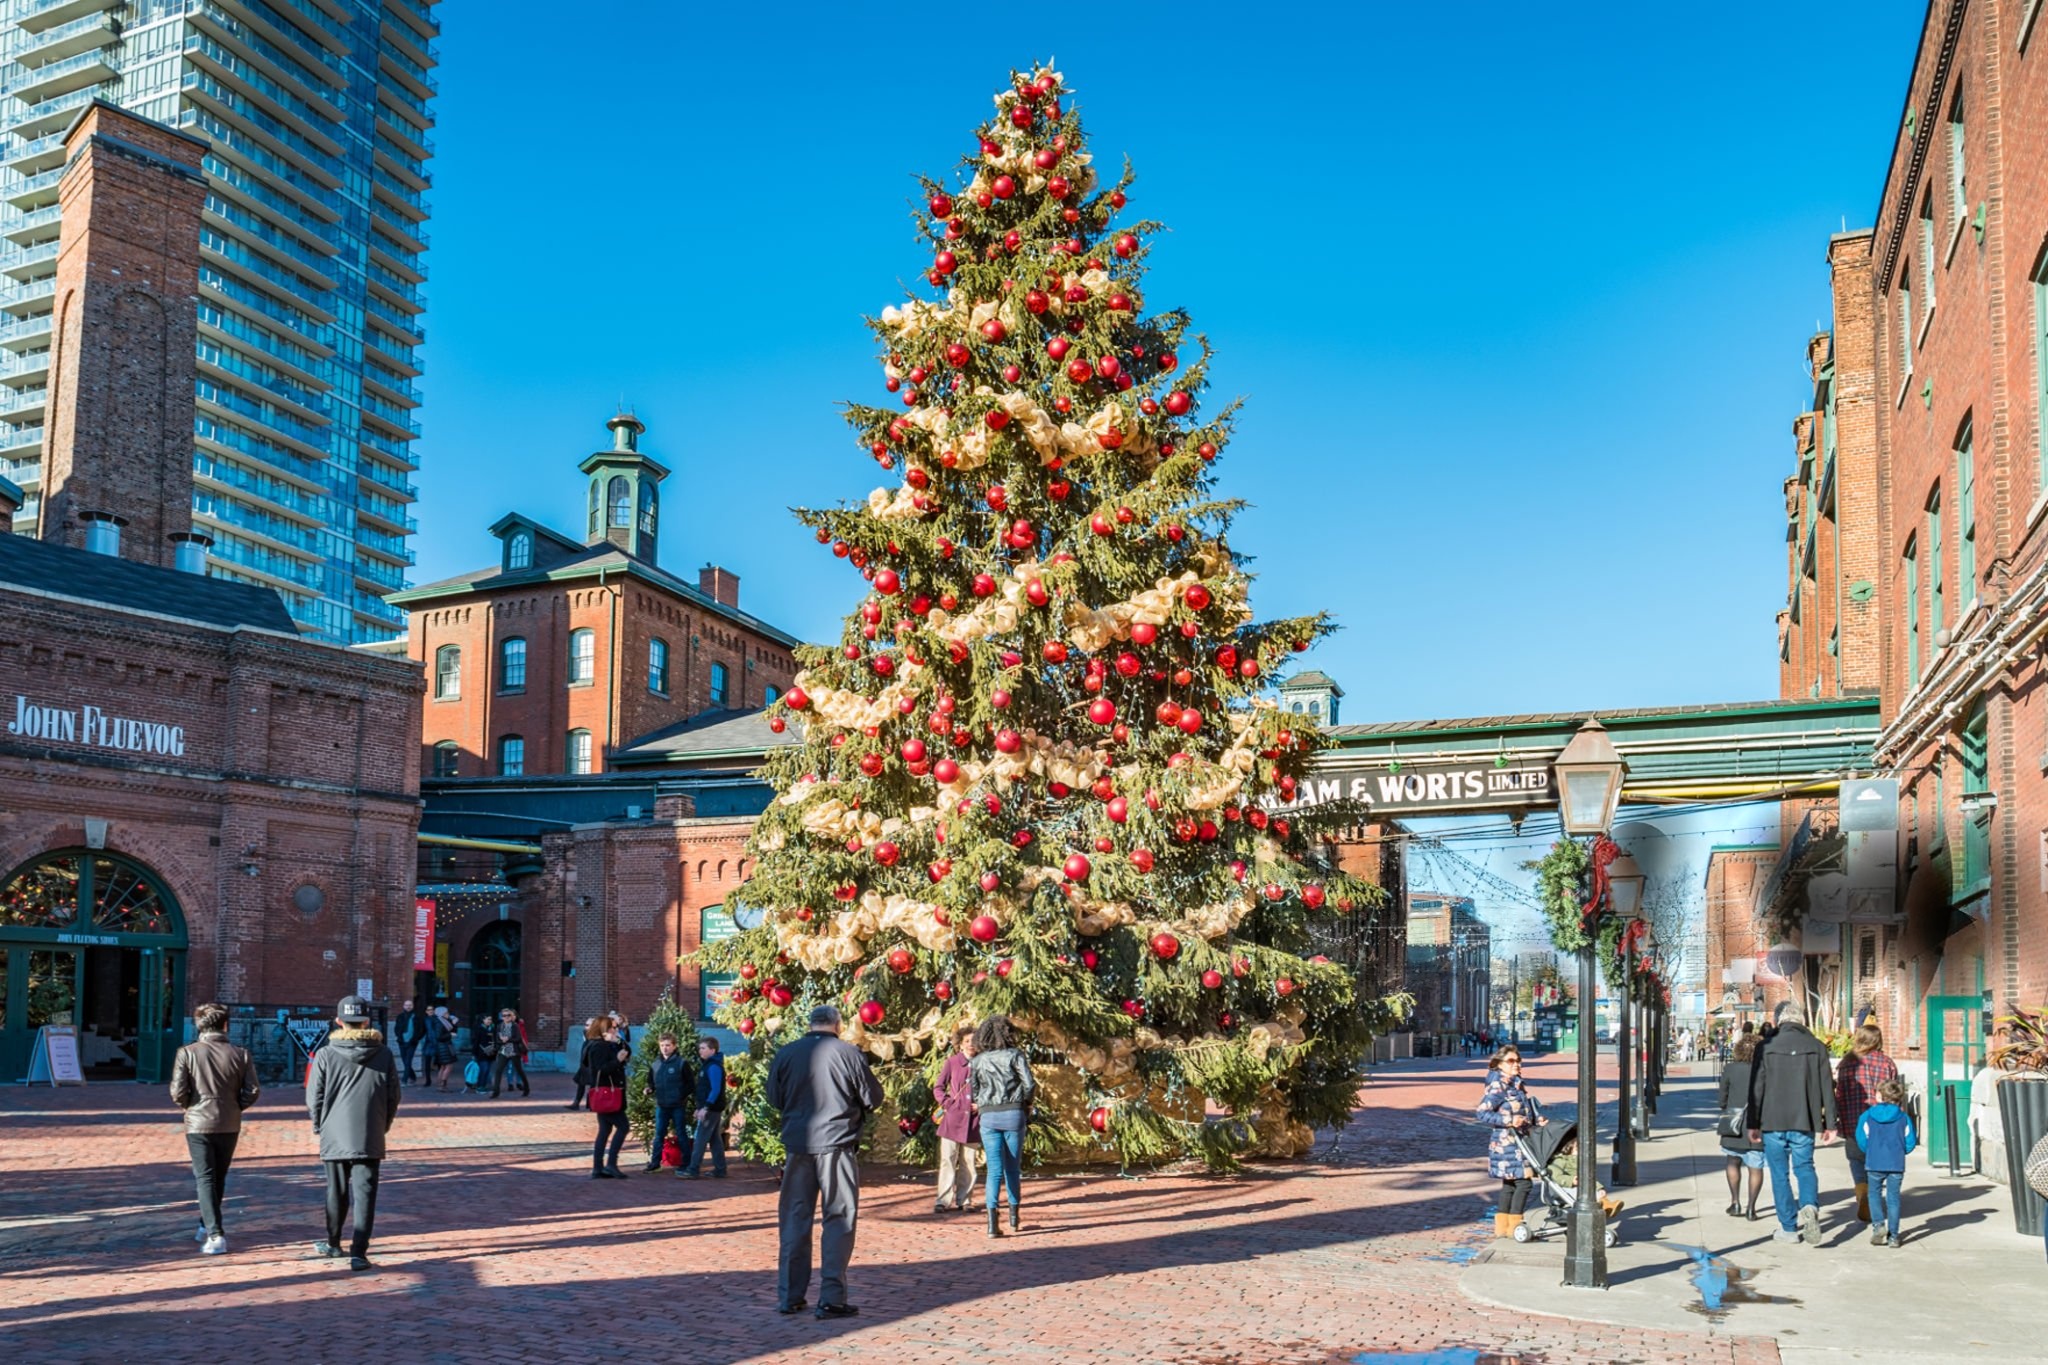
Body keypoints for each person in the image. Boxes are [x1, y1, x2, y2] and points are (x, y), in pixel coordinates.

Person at [768, 1004, 883, 1319]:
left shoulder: (787, 1053)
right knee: (839, 1218)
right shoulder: (848, 1053)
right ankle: (831, 1297)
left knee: (794, 1218)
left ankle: (790, 1296)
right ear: (838, 1024)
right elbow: (873, 1097)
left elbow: (774, 1099)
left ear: (810, 1023)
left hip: (798, 1144)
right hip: (837, 1144)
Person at [306, 995, 401, 1272]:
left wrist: (319, 1125)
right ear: (367, 1021)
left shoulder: (325, 1054)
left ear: (339, 1022)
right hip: (369, 1131)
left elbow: (315, 1097)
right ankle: (359, 1252)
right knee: (366, 1193)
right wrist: (382, 1124)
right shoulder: (383, 1054)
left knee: (336, 1191)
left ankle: (333, 1242)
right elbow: (394, 1095)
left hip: (334, 1132)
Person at [1745, 999, 1838, 1247]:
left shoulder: (1765, 1047)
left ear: (1778, 1020)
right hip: (1804, 1119)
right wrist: (1830, 1122)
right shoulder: (1817, 1047)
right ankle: (1809, 1204)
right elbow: (1827, 1086)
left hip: (1772, 1120)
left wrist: (1752, 1122)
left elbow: (1757, 1087)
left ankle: (1788, 1228)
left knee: (1779, 1174)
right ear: (1802, 1020)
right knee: (1805, 1167)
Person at [170, 1002, 260, 1255]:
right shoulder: (240, 1054)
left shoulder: (187, 1053)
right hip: (229, 1121)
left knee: (205, 1177)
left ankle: (215, 1233)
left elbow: (178, 1092)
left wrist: (191, 1106)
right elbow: (252, 1090)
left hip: (198, 1122)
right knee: (218, 1176)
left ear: (199, 1025)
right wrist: (234, 1106)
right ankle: (206, 1223)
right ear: (225, 1025)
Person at [970, 1014, 1035, 1237]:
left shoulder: (978, 1060)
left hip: (989, 1115)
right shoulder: (1015, 1055)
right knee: (1012, 1169)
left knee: (993, 1171)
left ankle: (991, 1224)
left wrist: (984, 1103)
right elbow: (1029, 1083)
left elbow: (975, 1091)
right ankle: (1014, 1218)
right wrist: (1025, 1103)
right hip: (1014, 1112)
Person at [1834, 1023, 1900, 1223]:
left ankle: (1862, 1193)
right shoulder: (1887, 1063)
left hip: (1854, 1121)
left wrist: (1840, 1122)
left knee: (1856, 1161)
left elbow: (1840, 1096)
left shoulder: (1846, 1064)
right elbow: (1896, 1094)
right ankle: (1874, 1195)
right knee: (1879, 1162)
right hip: (1883, 1123)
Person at [1476, 1045, 1544, 1238]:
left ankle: (1503, 1227)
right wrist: (1508, 1121)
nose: (1516, 1064)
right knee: (1524, 1183)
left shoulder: (1516, 1084)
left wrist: (1536, 1120)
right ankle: (1515, 1224)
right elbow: (1482, 1112)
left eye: (1518, 1060)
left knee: (1510, 1184)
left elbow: (1522, 1110)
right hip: (1508, 1143)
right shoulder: (1499, 1086)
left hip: (1520, 1140)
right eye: (1511, 1061)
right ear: (1500, 1064)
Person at [1856, 1077, 1919, 1248]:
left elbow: (1861, 1139)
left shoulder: (1867, 1116)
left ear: (1878, 1096)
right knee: (1893, 1198)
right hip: (1896, 1163)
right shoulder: (1904, 1118)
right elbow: (1910, 1140)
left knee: (1874, 1195)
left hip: (1874, 1161)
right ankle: (1894, 1236)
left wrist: (1868, 1151)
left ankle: (1878, 1226)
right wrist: (1901, 1151)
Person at [931, 1024, 979, 1213]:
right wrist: (947, 1104)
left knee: (969, 1161)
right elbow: (938, 1087)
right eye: (967, 1041)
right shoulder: (952, 1062)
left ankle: (965, 1199)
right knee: (948, 1159)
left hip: (974, 1120)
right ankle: (942, 1201)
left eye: (974, 1041)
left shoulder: (983, 1064)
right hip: (952, 1119)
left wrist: (981, 1105)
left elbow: (991, 1089)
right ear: (960, 1044)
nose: (970, 1044)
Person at [1719, 1033, 1765, 1219]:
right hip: (1757, 1123)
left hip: (1734, 1122)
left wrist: (1726, 1107)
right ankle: (1751, 1207)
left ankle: (1735, 1202)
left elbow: (1722, 1096)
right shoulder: (1764, 1068)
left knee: (1732, 1161)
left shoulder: (1730, 1068)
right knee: (1756, 1167)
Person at [583, 1019, 632, 1178]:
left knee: (605, 1129)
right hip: (607, 1093)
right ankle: (610, 1164)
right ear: (605, 1029)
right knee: (623, 1126)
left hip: (607, 1093)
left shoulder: (608, 1044)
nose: (616, 1030)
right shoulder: (598, 1046)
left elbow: (627, 1051)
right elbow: (600, 1069)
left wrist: (618, 1041)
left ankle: (598, 1168)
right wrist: (617, 1060)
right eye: (613, 1028)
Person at [644, 1031, 694, 1172]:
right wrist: (649, 1089)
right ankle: (655, 1163)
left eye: (668, 1045)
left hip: (678, 1105)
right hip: (662, 1105)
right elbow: (651, 1082)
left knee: (681, 1133)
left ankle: (686, 1163)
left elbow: (690, 1084)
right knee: (659, 1134)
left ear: (674, 1046)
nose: (665, 1048)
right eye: (662, 1045)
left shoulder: (682, 1063)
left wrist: (680, 1096)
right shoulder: (655, 1065)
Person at [682, 1036, 728, 1179]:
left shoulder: (714, 1066)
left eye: (703, 1048)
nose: (700, 1051)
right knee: (715, 1139)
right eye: (700, 1048)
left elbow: (715, 1089)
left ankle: (693, 1169)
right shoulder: (708, 1065)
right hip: (710, 1107)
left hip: (711, 1109)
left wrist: (705, 1107)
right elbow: (705, 1089)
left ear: (712, 1050)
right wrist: (699, 1106)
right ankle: (720, 1169)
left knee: (700, 1138)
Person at [488, 1008, 531, 1098]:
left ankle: (526, 1089)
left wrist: (508, 1039)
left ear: (511, 1017)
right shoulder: (500, 1026)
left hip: (513, 1051)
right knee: (498, 1070)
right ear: (502, 1017)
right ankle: (496, 1092)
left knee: (519, 1070)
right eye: (504, 1015)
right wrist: (501, 1041)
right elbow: (497, 1039)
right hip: (503, 1051)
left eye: (508, 1015)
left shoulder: (515, 1026)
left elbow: (518, 1038)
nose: (506, 1017)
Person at [567, 1018, 603, 1110]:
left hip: (592, 1064)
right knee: (581, 1083)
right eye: (585, 1024)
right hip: (584, 1064)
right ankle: (576, 1103)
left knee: (592, 1085)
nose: (585, 1027)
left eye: (588, 1025)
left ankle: (591, 1104)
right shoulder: (587, 1035)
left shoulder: (598, 1037)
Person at [426, 1006, 457, 1091]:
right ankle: (443, 1085)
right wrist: (450, 1035)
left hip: (444, 1046)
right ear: (442, 1013)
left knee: (443, 1066)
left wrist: (454, 1024)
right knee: (448, 1066)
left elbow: (451, 1029)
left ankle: (440, 1085)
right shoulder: (439, 1023)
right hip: (443, 1046)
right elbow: (439, 1036)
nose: (448, 1014)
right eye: (446, 1013)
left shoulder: (443, 1021)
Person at [392, 998, 422, 1085]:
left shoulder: (417, 1017)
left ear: (412, 1006)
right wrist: (398, 1035)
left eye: (410, 1005)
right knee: (404, 1060)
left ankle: (404, 1080)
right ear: (403, 1006)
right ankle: (413, 1076)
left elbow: (420, 1030)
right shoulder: (400, 1016)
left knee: (408, 1060)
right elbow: (397, 1028)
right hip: (402, 1041)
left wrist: (416, 1038)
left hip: (412, 1042)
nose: (408, 1007)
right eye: (406, 1005)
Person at [466, 1013, 497, 1094]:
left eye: (490, 1019)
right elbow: (476, 1042)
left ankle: (484, 1086)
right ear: (483, 1020)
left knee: (487, 1070)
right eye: (488, 1019)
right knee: (484, 1069)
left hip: (491, 1053)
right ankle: (480, 1087)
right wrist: (474, 1054)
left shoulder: (492, 1028)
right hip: (481, 1053)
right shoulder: (479, 1029)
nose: (490, 1021)